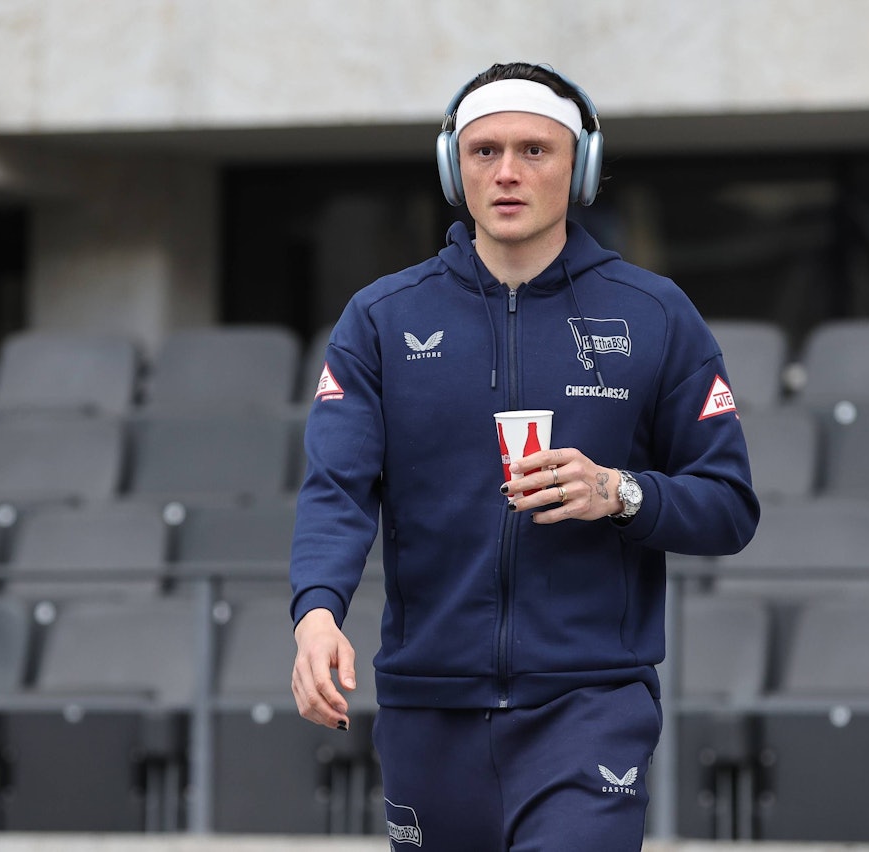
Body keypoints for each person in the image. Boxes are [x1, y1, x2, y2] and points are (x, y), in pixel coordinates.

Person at [290, 61, 758, 851]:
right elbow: (336, 489)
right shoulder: (379, 319)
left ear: (582, 167)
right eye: (484, 151)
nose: (507, 172)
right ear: (453, 167)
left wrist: (622, 493)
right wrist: (315, 612)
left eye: (535, 151)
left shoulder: (656, 314)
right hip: (426, 708)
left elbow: (729, 505)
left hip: (590, 705)